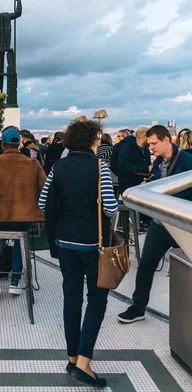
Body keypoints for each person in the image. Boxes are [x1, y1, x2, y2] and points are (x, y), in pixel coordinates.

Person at [39, 119, 118, 388]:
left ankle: (72, 357)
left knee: (71, 298)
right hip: (93, 243)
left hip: (65, 241)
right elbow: (110, 207)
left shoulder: (58, 167)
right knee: (97, 299)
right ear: (93, 141)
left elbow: (43, 202)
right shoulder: (100, 167)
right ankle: (84, 363)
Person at [118, 124, 192, 324]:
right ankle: (138, 308)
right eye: (149, 144)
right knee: (146, 266)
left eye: (153, 143)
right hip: (160, 226)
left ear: (166, 140)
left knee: (186, 271)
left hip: (182, 226)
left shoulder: (188, 161)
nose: (149, 147)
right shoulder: (159, 163)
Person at [0, 128, 46, 295]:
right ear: (18, 144)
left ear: (2, 144)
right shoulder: (33, 164)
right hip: (24, 219)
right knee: (21, 238)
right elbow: (45, 190)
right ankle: (15, 281)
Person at [117, 127, 151, 233]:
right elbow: (123, 166)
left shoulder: (145, 149)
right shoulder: (127, 148)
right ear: (144, 136)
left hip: (141, 183)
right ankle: (134, 228)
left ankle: (142, 224)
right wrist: (143, 170)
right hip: (129, 185)